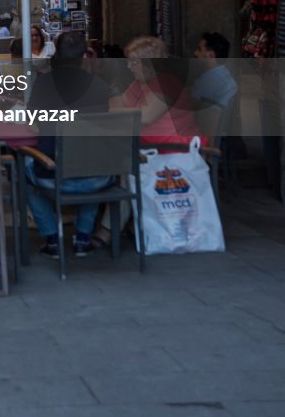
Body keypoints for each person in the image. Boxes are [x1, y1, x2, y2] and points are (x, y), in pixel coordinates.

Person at [25, 31, 113, 258]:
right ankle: (83, 236)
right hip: (97, 178)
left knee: (22, 166)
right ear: (85, 55)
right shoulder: (100, 86)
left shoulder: (44, 84)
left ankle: (52, 237)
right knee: (93, 159)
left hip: (53, 174)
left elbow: (33, 123)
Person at [109, 35, 198, 143]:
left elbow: (145, 116)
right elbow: (116, 100)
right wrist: (118, 110)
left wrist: (112, 111)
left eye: (134, 62)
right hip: (150, 149)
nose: (128, 66)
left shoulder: (168, 82)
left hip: (175, 150)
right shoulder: (139, 83)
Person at [192, 32, 238, 110]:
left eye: (199, 49)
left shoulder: (210, 81)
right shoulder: (224, 75)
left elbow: (190, 104)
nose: (195, 53)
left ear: (210, 55)